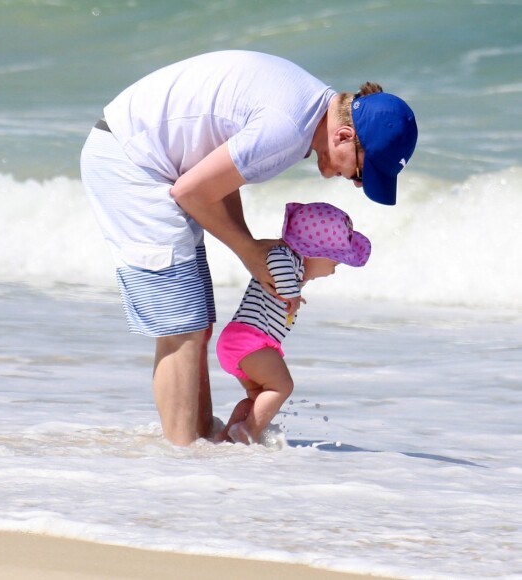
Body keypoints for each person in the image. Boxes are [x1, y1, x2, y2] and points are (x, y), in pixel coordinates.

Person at [79, 50, 417, 446]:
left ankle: (199, 438)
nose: (357, 182)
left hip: (148, 153)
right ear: (343, 136)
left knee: (196, 321)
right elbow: (191, 192)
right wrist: (248, 251)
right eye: (362, 171)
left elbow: (216, 175)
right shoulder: (289, 131)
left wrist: (252, 246)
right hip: (131, 160)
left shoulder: (304, 106)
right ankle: (182, 461)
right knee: (181, 328)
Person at [214, 202, 371, 445]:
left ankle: (227, 437)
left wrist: (294, 291)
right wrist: (291, 293)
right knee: (282, 386)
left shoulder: (296, 269)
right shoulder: (289, 257)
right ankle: (249, 432)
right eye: (334, 260)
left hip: (241, 343)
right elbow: (274, 257)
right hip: (249, 341)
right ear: (313, 252)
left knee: (258, 398)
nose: (334, 269)